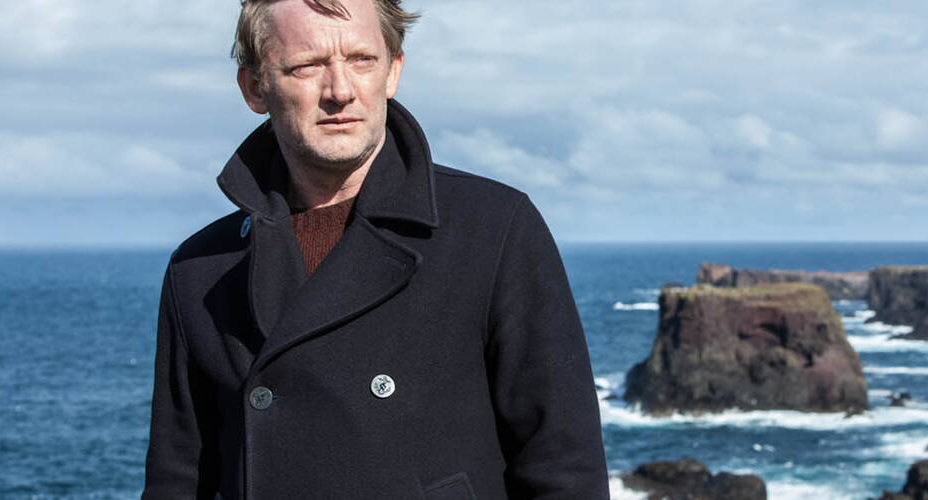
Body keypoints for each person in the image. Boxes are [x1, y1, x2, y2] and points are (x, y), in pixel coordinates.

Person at [141, 0, 609, 498]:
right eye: (307, 66)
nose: (340, 91)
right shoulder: (201, 268)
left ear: (393, 71)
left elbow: (565, 470)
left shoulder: (493, 229)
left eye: (362, 60)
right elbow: (177, 482)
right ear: (256, 88)